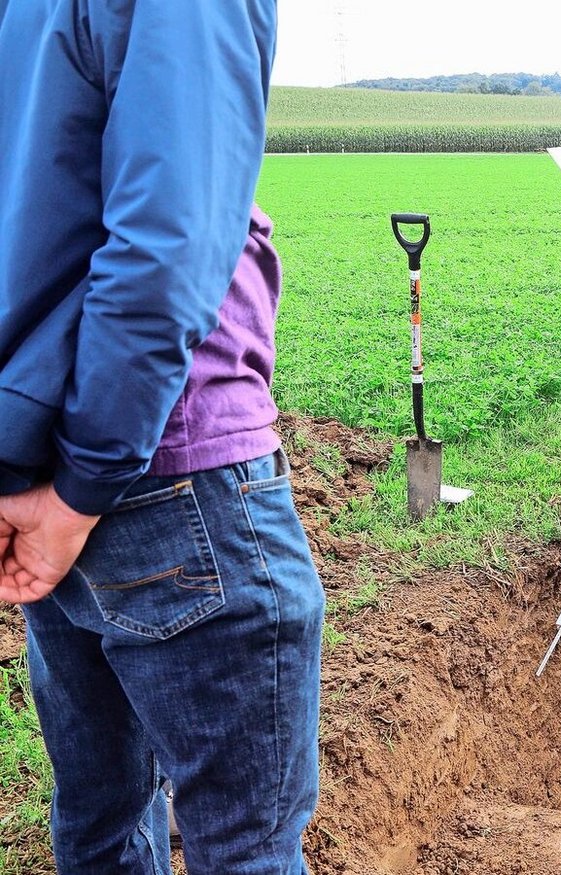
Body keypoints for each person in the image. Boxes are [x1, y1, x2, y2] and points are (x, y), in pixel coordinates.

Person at [0, 2, 324, 872]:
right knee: (247, 845)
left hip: (39, 460)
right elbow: (166, 241)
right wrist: (81, 486)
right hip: (166, 453)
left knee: (101, 820)